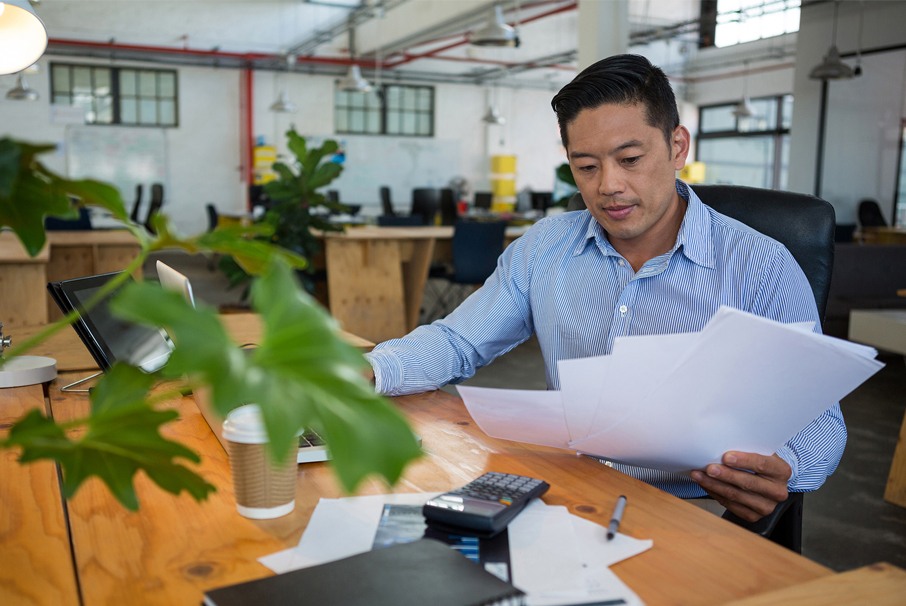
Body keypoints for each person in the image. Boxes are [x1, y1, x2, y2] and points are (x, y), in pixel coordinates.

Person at [365, 54, 845, 523]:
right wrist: (367, 371)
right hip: (569, 491)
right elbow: (459, 340)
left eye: (630, 159)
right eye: (586, 167)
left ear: (678, 146)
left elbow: (821, 421)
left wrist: (784, 466)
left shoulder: (760, 265)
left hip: (692, 508)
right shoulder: (546, 248)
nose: (608, 185)